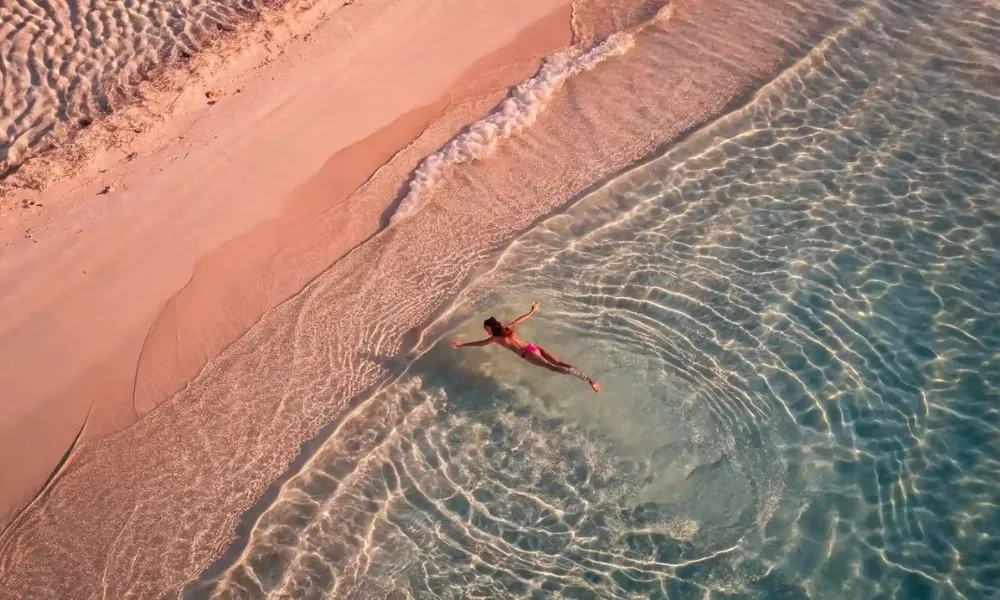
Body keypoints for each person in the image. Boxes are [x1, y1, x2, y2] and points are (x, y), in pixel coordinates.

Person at [451, 302, 600, 392]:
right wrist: (533, 310)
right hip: (533, 347)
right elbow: (522, 319)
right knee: (559, 363)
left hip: (528, 355)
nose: (486, 331)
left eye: (486, 328)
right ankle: (589, 380)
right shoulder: (508, 328)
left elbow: (480, 344)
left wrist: (463, 344)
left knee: (551, 367)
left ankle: (587, 381)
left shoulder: (495, 339)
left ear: (490, 327)